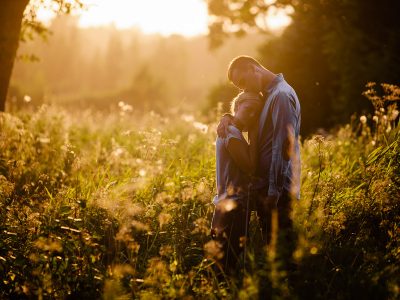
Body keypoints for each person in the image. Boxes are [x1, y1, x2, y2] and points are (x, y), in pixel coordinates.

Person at [216, 55, 301, 271]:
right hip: (266, 187)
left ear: (254, 68)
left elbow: (284, 146)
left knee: (282, 254)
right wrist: (227, 117)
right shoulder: (267, 97)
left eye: (243, 82)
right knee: (273, 253)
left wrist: (273, 192)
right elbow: (244, 120)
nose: (243, 90)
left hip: (278, 191)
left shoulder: (281, 95)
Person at [211, 91, 263, 272]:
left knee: (226, 262)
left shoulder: (231, 130)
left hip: (229, 205)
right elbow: (249, 166)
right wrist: (256, 134)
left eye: (257, 113)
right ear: (238, 106)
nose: (251, 115)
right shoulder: (231, 132)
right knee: (226, 266)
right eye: (248, 109)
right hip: (232, 208)